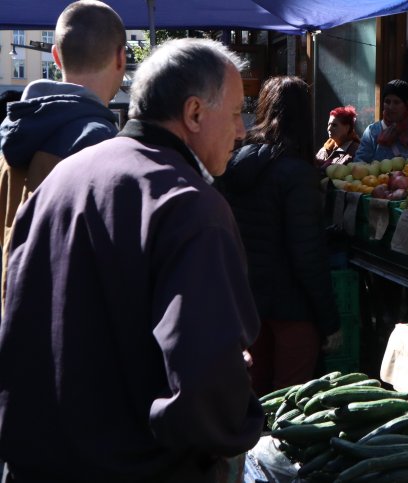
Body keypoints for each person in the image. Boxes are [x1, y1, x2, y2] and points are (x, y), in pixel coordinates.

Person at [0, 38, 263, 482]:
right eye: (238, 112)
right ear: (195, 113)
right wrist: (237, 409)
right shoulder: (189, 204)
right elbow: (204, 388)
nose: (242, 131)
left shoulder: (65, 176)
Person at [217, 76, 343, 396]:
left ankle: (251, 447)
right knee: (289, 400)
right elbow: (308, 254)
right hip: (292, 307)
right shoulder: (297, 173)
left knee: (254, 393)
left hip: (250, 302)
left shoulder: (236, 164)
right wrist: (329, 322)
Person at [0, 0, 127, 313]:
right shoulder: (99, 143)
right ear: (121, 58)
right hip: (64, 328)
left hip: (13, 318)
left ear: (56, 57)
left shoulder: (10, 134)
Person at [354, 79, 408, 163]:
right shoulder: (372, 131)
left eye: (396, 102)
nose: (391, 107)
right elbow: (359, 163)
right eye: (387, 101)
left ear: (407, 105)